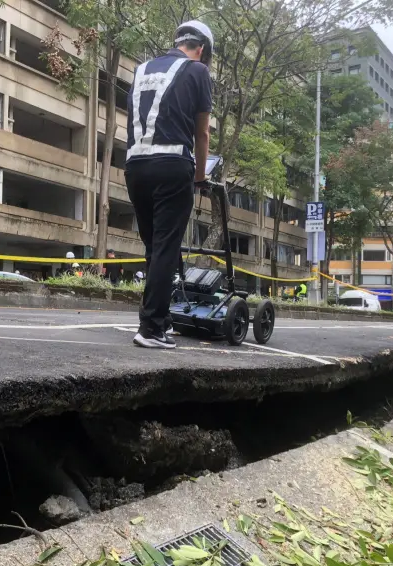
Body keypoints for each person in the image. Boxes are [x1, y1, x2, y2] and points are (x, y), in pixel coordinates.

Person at [124, 20, 213, 349]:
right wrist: (200, 177)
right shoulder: (197, 71)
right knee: (166, 247)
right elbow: (201, 133)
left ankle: (159, 320)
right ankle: (150, 329)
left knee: (154, 248)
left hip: (135, 166)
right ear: (200, 49)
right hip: (173, 164)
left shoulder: (141, 69)